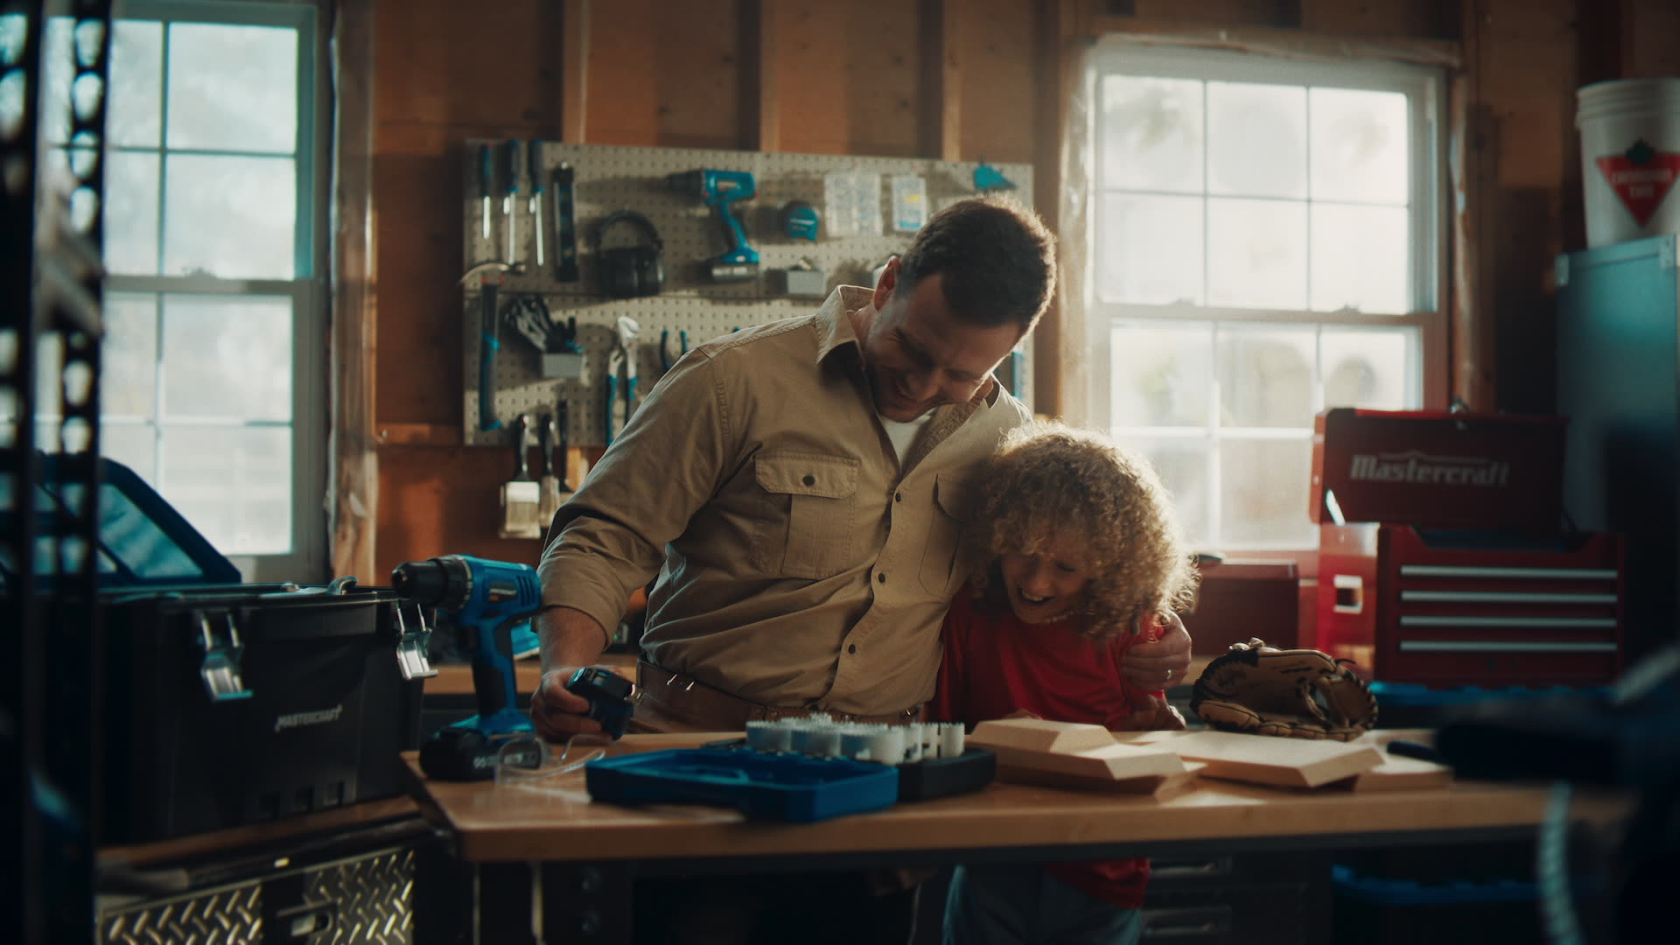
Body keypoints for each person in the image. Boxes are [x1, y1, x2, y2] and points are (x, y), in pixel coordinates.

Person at [528, 195, 1192, 944]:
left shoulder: (1005, 438)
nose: (923, 382)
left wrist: (1158, 636)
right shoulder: (733, 381)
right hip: (704, 768)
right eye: (912, 349)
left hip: (881, 790)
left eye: (961, 372)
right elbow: (605, 534)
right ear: (888, 283)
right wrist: (564, 668)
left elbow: (1055, 582)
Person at [930, 421, 1200, 945]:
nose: (1035, 582)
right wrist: (993, 742)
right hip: (995, 858)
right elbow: (939, 740)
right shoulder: (968, 615)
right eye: (1020, 551)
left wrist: (1160, 734)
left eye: (1066, 567)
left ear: (1111, 569)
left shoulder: (1129, 627)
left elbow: (1148, 746)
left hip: (1102, 867)